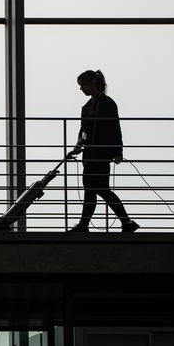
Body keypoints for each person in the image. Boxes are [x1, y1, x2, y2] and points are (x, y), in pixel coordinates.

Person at [68, 70, 139, 233]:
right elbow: (83, 130)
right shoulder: (86, 107)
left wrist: (118, 151)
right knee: (97, 189)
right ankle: (126, 223)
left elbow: (115, 128)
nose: (81, 89)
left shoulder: (107, 104)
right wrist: (79, 143)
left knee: (95, 189)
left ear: (93, 83)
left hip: (101, 154)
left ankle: (86, 225)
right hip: (90, 155)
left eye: (83, 85)